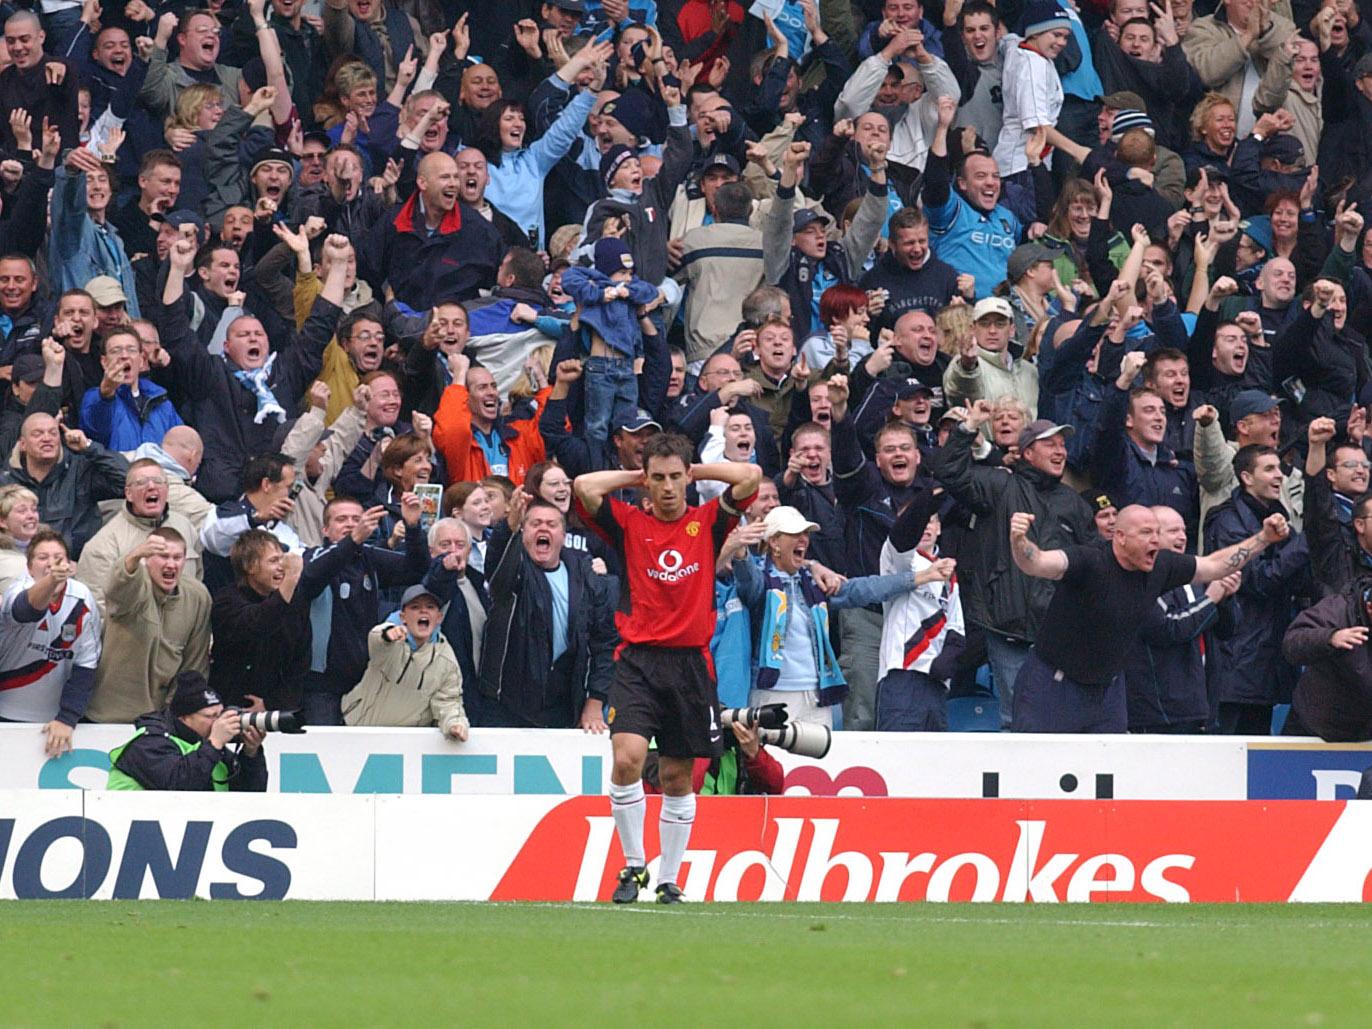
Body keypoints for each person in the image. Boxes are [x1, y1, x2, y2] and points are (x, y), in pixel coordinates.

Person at [573, 432, 761, 904]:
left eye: (676, 477)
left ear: (688, 477)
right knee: (627, 759)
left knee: (677, 777)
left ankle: (669, 878)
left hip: (691, 666)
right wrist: (635, 475)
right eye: (658, 478)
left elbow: (750, 475)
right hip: (637, 661)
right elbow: (584, 486)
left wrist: (699, 470)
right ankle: (634, 864)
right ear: (646, 482)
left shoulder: (709, 521)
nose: (668, 487)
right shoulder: (628, 523)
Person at [1007, 502, 1295, 732]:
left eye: (1157, 533)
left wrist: (1263, 538)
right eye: (1146, 533)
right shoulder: (1089, 561)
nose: (1155, 540)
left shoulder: (1161, 565)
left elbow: (1214, 566)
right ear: (1119, 537)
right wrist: (1019, 539)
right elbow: (1037, 563)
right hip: (1053, 682)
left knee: (1113, 780)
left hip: (1107, 689)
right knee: (1039, 773)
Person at [478, 494, 617, 729]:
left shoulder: (588, 576)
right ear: (523, 534)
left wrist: (595, 701)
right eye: (534, 523)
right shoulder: (514, 572)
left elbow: (604, 643)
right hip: (506, 704)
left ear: (563, 537)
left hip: (565, 704)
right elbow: (496, 566)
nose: (543, 528)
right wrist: (508, 525)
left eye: (551, 524)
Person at [84, 527, 212, 724]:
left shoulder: (198, 596)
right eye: (163, 556)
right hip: (109, 716)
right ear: (147, 559)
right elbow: (117, 590)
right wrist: (133, 557)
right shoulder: (136, 585)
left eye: (177, 558)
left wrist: (175, 713)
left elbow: (194, 664)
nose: (171, 564)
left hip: (160, 720)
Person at [0, 528, 101, 756]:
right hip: (6, 710)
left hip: (53, 720)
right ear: (29, 567)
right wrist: (50, 581)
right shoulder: (18, 588)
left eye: (58, 559)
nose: (51, 564)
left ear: (70, 565)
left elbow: (86, 665)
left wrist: (67, 717)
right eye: (43, 558)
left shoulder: (82, 599)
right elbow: (25, 611)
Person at [340, 584, 470, 738]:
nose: (423, 611)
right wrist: (388, 634)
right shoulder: (389, 641)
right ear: (403, 617)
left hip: (406, 745)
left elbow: (448, 701)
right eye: (415, 607)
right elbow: (376, 639)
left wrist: (455, 724)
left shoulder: (447, 659)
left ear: (439, 618)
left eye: (430, 607)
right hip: (354, 730)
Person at [106, 671, 268, 791]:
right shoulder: (148, 743)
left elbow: (250, 799)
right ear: (184, 717)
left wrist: (250, 754)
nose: (218, 721)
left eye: (220, 714)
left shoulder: (210, 749)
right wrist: (215, 743)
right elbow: (179, 789)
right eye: (210, 716)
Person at [1283, 582, 1372, 741]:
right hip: (1313, 726)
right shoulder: (1336, 610)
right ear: (1370, 608)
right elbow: (1292, 643)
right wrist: (1330, 638)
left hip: (1365, 732)